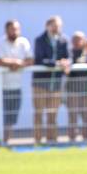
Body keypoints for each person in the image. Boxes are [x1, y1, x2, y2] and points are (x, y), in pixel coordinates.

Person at [0, 20, 33, 143]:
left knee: (11, 118)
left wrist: (20, 64)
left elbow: (30, 60)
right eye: (12, 29)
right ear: (6, 30)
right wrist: (14, 63)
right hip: (1, 88)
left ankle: (7, 141)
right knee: (0, 117)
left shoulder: (24, 42)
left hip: (16, 87)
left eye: (17, 29)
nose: (15, 31)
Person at [33, 16, 69, 144]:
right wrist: (57, 63)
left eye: (58, 26)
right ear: (47, 26)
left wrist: (66, 62)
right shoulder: (40, 40)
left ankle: (52, 141)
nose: (56, 28)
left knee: (52, 115)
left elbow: (67, 57)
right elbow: (39, 59)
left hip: (56, 84)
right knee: (39, 114)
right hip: (40, 84)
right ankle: (37, 141)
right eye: (54, 26)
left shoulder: (63, 40)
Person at [66, 31, 87, 142]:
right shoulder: (69, 52)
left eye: (79, 39)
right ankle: (72, 139)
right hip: (72, 87)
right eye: (75, 39)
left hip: (85, 87)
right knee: (73, 114)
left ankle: (86, 138)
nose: (77, 41)